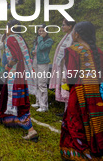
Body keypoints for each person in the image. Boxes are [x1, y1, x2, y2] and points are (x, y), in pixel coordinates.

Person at [60, 21, 103, 160]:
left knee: (75, 122)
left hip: (78, 93)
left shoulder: (73, 50)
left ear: (77, 34)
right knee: (92, 122)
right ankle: (94, 150)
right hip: (95, 94)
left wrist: (66, 80)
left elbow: (71, 75)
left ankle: (79, 153)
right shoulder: (98, 52)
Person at [0, 19, 38, 141]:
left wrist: (8, 65)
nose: (5, 29)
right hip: (21, 73)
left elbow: (15, 56)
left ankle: (31, 130)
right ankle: (11, 120)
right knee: (14, 97)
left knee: (18, 100)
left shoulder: (10, 39)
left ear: (10, 28)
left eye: (6, 27)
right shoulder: (20, 38)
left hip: (14, 74)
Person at [49, 19, 76, 116]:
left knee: (67, 87)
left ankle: (69, 112)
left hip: (69, 66)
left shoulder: (72, 37)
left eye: (64, 25)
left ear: (70, 26)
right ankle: (66, 111)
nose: (62, 27)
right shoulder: (67, 36)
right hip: (64, 65)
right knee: (65, 86)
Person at [31, 24, 53, 112]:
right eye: (39, 31)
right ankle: (38, 102)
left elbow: (42, 47)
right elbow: (34, 49)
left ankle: (44, 106)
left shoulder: (49, 40)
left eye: (43, 31)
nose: (40, 33)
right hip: (35, 61)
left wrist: (40, 39)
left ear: (46, 31)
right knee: (36, 82)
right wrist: (32, 52)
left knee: (42, 84)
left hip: (43, 63)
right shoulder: (36, 40)